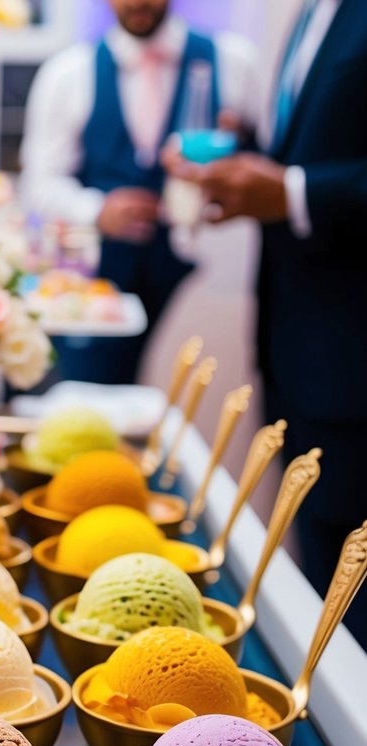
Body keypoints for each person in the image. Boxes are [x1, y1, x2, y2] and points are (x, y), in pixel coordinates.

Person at [165, 0, 367, 649]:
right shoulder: (311, 10)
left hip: (352, 361)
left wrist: (292, 191)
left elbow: (307, 177)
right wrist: (250, 157)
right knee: (319, 590)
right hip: (298, 354)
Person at [20, 0, 258, 385]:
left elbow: (266, 164)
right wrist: (96, 210)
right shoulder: (68, 73)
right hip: (100, 284)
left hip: (204, 284)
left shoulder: (234, 63)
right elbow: (39, 185)